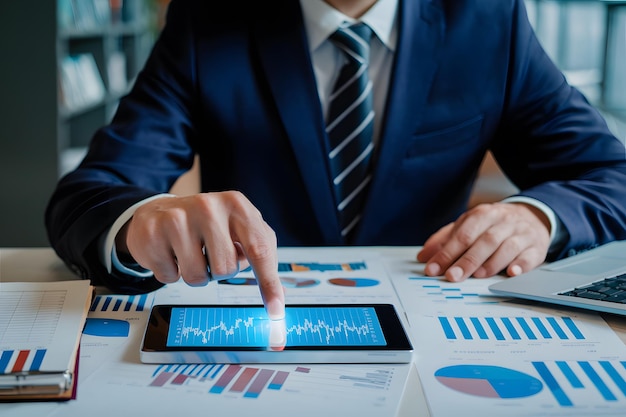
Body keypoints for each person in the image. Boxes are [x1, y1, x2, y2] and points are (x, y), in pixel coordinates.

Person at [46, 0, 626, 320]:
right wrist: (137, 223)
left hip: (435, 325)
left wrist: (539, 216)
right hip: (252, 326)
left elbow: (611, 175)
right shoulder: (208, 21)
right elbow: (90, 193)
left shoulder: (489, 22)